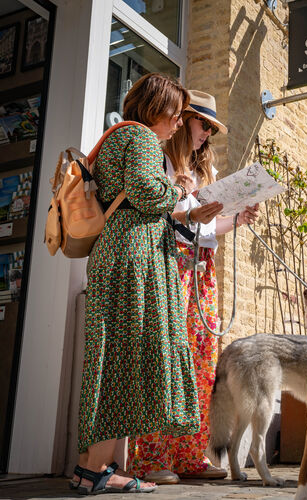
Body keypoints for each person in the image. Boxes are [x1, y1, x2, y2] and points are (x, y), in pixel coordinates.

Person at [70, 73, 200, 495]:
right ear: (157, 108)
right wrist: (179, 190)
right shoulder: (141, 138)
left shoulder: (116, 138)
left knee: (115, 354)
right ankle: (94, 469)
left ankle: (99, 468)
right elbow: (146, 192)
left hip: (118, 254)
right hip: (133, 260)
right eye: (177, 114)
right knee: (125, 356)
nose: (180, 123)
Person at [128, 90, 260, 484]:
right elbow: (156, 209)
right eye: (203, 125)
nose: (207, 135)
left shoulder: (206, 172)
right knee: (165, 355)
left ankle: (189, 454)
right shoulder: (160, 158)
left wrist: (236, 219)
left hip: (201, 267)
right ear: (184, 120)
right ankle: (150, 456)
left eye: (211, 129)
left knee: (201, 360)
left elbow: (207, 227)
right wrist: (184, 198)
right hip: (168, 261)